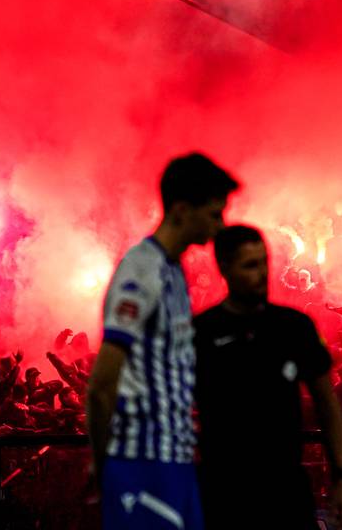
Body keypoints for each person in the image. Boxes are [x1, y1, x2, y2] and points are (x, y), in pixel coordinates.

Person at [87, 153, 238, 530]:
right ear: (183, 210)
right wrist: (105, 463)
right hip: (142, 464)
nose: (220, 226)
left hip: (176, 460)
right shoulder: (142, 268)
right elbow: (103, 384)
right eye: (214, 214)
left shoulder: (173, 271)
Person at [194, 225, 342, 529]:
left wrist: (341, 478)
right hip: (222, 489)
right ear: (225, 268)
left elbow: (327, 404)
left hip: (284, 486)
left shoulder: (294, 326)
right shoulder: (201, 332)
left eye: (264, 262)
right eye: (250, 265)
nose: (262, 273)